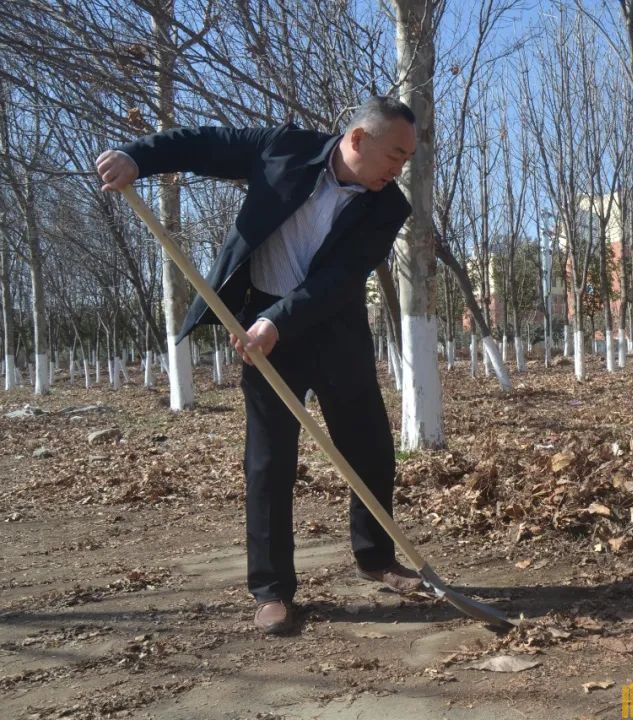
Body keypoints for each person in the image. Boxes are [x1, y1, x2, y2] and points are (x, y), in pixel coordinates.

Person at [96, 96, 423, 635]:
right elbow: (203, 144)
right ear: (358, 139)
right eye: (395, 154)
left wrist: (278, 320)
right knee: (269, 460)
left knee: (367, 445)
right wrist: (137, 157)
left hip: (332, 328)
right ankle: (272, 589)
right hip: (262, 334)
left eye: (406, 159)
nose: (399, 168)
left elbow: (338, 280)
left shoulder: (389, 208)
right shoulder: (282, 149)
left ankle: (376, 557)